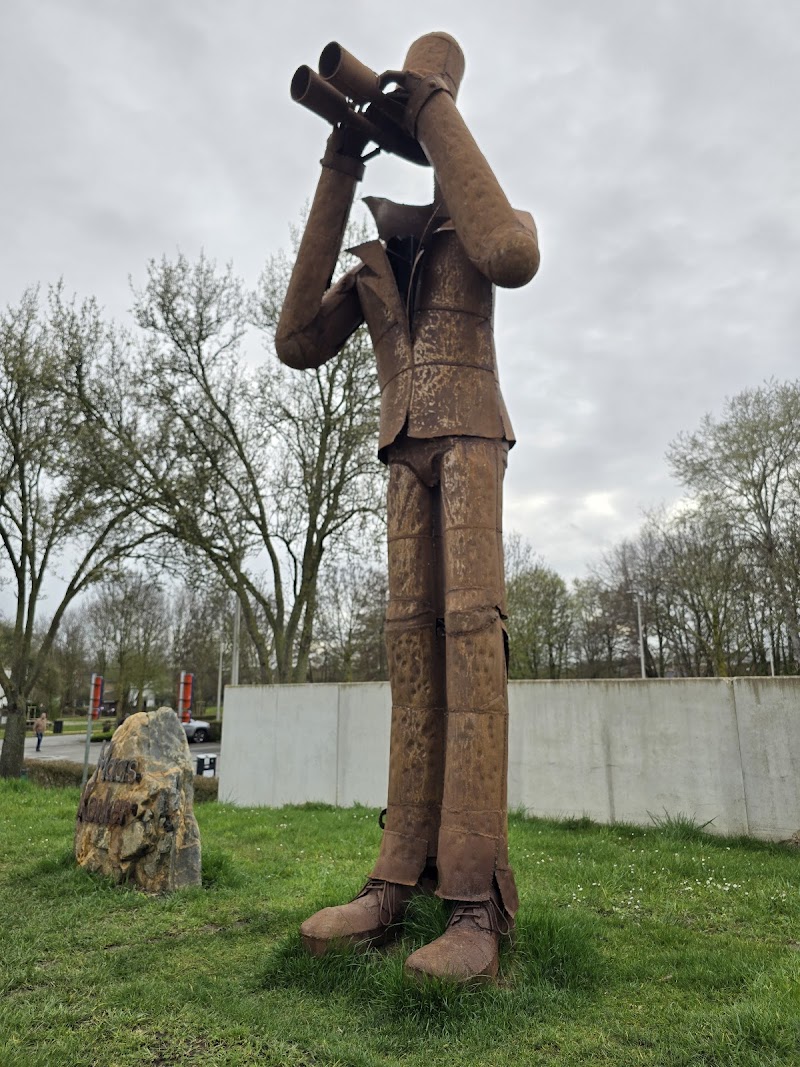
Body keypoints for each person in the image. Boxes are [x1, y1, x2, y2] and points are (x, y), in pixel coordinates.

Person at [276, 31, 539, 982]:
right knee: (408, 655)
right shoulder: (385, 239)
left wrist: (428, 103)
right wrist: (341, 160)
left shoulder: (481, 218)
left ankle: (475, 903)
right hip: (402, 454)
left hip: (471, 435)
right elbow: (298, 338)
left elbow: (510, 251)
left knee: (471, 638)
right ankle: (394, 883)